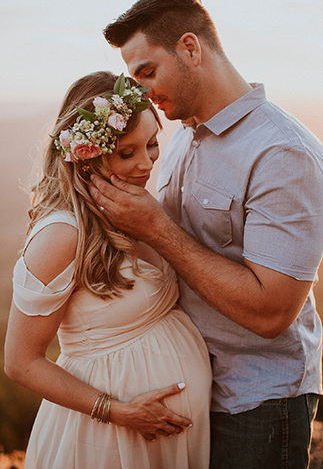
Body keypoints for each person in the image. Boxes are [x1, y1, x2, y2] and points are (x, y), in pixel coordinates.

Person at [88, 0, 323, 469]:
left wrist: (156, 229)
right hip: (190, 391)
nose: (141, 93)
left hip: (257, 402)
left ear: (190, 48)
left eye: (146, 72)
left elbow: (271, 312)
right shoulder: (181, 135)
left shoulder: (282, 154)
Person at [4, 71, 212, 469]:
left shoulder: (138, 206)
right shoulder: (62, 234)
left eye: (151, 144)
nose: (146, 163)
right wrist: (118, 412)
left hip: (169, 440)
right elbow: (20, 361)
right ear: (88, 153)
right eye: (126, 152)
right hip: (107, 440)